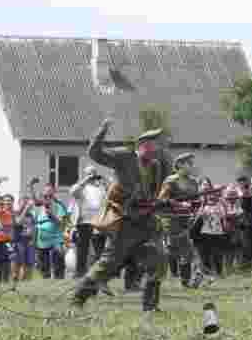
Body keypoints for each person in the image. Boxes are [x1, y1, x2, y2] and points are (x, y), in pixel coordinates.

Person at [72, 122, 171, 312]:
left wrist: (160, 203)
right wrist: (101, 132)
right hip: (124, 221)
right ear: (142, 145)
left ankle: (150, 306)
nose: (158, 148)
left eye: (159, 145)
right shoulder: (125, 156)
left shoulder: (156, 166)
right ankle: (78, 298)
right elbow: (95, 153)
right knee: (108, 264)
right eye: (154, 144)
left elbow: (152, 195)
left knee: (159, 258)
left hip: (146, 222)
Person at [157, 153, 201, 287]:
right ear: (180, 164)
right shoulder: (171, 181)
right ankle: (189, 278)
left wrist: (195, 208)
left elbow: (195, 200)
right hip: (172, 220)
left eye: (192, 163)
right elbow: (162, 200)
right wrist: (178, 204)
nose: (191, 166)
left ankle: (186, 280)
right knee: (184, 250)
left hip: (186, 220)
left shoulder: (193, 181)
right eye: (189, 163)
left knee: (185, 252)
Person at [70, 166, 108, 275]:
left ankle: (98, 273)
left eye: (93, 173)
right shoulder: (81, 187)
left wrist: (104, 180)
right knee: (83, 248)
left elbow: (110, 193)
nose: (92, 176)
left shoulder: (100, 187)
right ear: (85, 174)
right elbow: (72, 192)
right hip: (84, 221)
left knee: (99, 249)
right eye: (89, 173)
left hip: (99, 221)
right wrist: (85, 180)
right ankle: (80, 272)